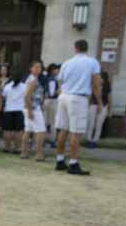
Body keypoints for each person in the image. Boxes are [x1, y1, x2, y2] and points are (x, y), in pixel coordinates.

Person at [54, 39, 101, 175]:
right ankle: (73, 163)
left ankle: (60, 160)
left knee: (63, 129)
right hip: (78, 97)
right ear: (87, 49)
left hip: (64, 96)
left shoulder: (66, 63)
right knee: (76, 132)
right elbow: (96, 83)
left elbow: (60, 82)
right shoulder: (92, 62)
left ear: (75, 49)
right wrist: (98, 101)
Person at [21, 61, 47, 161]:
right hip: (33, 108)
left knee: (28, 130)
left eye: (40, 67)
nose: (38, 69)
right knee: (41, 131)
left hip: (28, 107)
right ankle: (39, 154)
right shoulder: (33, 80)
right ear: (31, 69)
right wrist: (30, 110)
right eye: (36, 67)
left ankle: (24, 152)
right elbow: (27, 96)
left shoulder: (32, 79)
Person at [0, 70, 26, 154]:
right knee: (19, 130)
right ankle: (17, 148)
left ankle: (7, 147)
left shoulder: (7, 86)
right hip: (19, 110)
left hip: (8, 110)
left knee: (7, 130)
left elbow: (3, 96)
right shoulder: (24, 86)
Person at [86, 71, 111, 148]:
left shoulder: (107, 86)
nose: (100, 79)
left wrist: (109, 107)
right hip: (93, 105)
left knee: (99, 124)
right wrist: (88, 105)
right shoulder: (93, 85)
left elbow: (109, 96)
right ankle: (89, 139)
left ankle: (95, 140)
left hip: (103, 106)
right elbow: (90, 96)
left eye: (101, 77)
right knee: (91, 123)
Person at [44, 63, 60, 146]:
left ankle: (45, 139)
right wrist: (60, 90)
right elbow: (52, 92)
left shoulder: (46, 77)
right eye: (57, 69)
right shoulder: (52, 80)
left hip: (47, 101)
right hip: (52, 101)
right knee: (52, 122)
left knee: (46, 121)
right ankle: (52, 140)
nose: (58, 71)